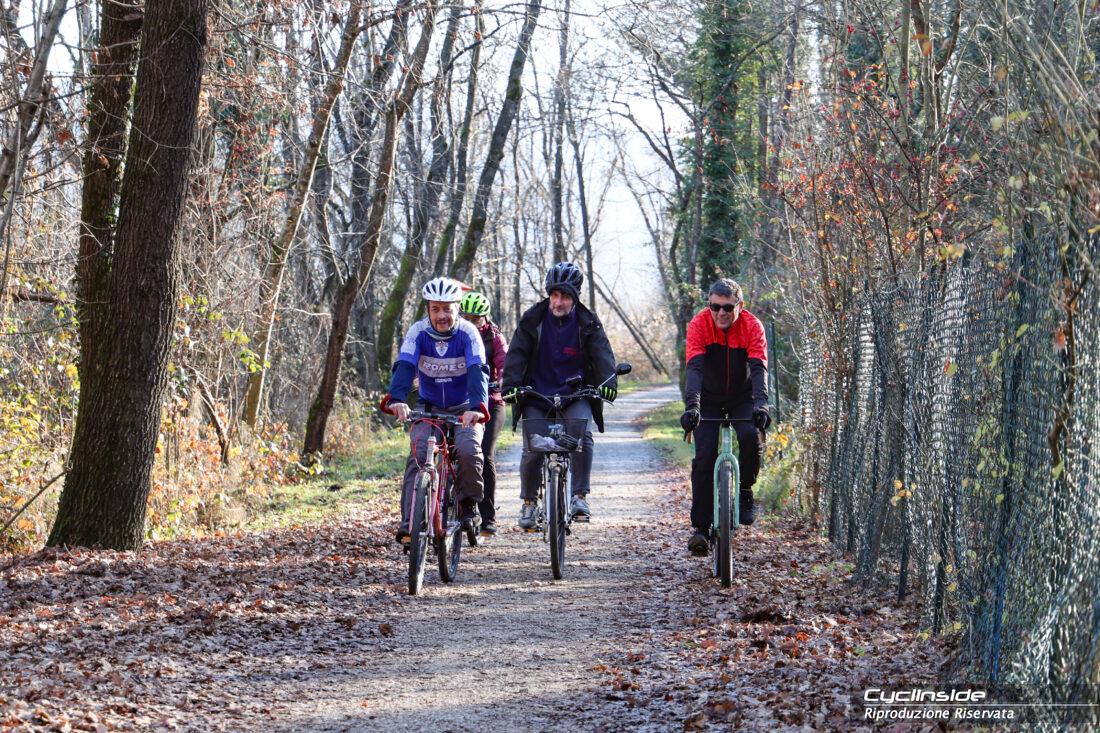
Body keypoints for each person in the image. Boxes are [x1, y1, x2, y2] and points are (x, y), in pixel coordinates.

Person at [502, 262, 618, 529]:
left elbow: (602, 354)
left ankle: (579, 497)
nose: (558, 302)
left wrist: (608, 382)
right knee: (533, 446)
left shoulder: (588, 322)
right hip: (536, 394)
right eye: (554, 295)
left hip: (575, 394)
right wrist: (511, 385)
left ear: (575, 297)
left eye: (565, 296)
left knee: (582, 435)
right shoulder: (533, 319)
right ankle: (529, 503)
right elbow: (517, 355)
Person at [381, 277, 489, 540]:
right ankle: (410, 523)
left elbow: (478, 370)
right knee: (418, 456)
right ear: (428, 309)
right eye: (435, 309)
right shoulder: (417, 332)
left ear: (457, 308)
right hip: (428, 407)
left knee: (468, 451)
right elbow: (405, 365)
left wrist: (477, 407)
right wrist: (397, 399)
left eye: (447, 309)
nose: (441, 315)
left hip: (464, 408)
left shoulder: (468, 333)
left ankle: (469, 505)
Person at [679, 278, 771, 556]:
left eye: (728, 307)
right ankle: (701, 528)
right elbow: (694, 369)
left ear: (740, 306)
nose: (721, 313)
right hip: (708, 398)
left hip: (742, 397)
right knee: (704, 456)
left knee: (750, 436)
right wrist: (692, 407)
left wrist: (762, 405)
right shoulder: (699, 324)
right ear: (709, 305)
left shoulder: (752, 326)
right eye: (715, 307)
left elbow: (759, 368)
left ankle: (745, 490)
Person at [459, 291, 508, 536]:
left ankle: (488, 517)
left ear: (485, 318)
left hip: (491, 401)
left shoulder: (495, 338)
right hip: (462, 402)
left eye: (476, 319)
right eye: (466, 318)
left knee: (484, 453)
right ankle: (458, 505)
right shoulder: (455, 334)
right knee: (457, 450)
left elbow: (505, 364)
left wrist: (504, 380)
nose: (471, 323)